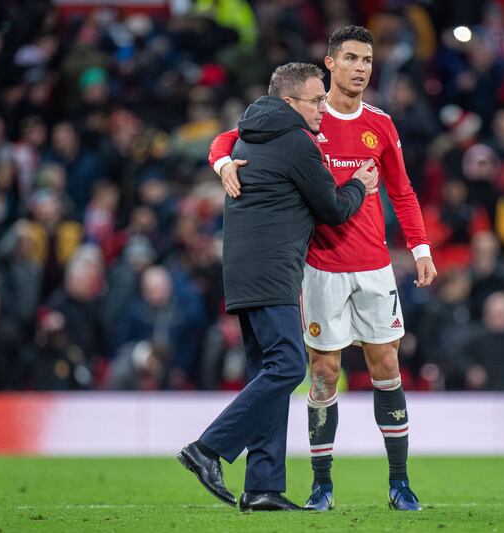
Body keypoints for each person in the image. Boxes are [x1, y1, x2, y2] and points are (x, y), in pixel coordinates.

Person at [210, 25, 437, 511]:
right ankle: (321, 486)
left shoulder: (382, 123)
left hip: (374, 265)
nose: (361, 68)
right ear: (330, 64)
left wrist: (420, 248)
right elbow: (226, 138)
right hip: (319, 266)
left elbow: (402, 191)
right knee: (322, 374)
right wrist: (222, 163)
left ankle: (399, 483)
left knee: (387, 366)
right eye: (352, 58)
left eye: (368, 60)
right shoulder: (304, 120)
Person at [178, 62, 377, 512]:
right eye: (316, 100)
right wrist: (360, 186)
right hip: (272, 274)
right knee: (288, 367)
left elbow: (224, 141)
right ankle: (207, 448)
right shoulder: (294, 143)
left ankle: (263, 486)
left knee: (267, 372)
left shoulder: (252, 133)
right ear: (289, 103)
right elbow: (331, 208)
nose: (324, 108)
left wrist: (222, 156)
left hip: (245, 273)